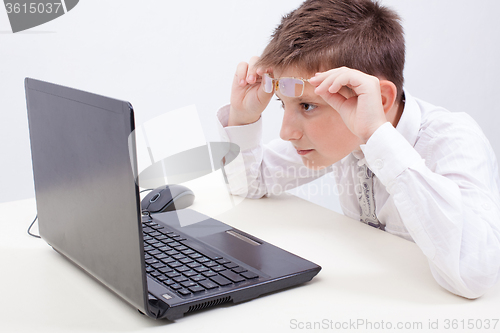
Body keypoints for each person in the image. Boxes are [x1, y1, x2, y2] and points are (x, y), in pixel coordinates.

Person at [216, 0, 500, 299]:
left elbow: (474, 275)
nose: (286, 132)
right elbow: (249, 182)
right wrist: (243, 117)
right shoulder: (341, 139)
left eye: (308, 106)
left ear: (379, 99)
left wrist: (377, 137)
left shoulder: (453, 140)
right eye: (282, 104)